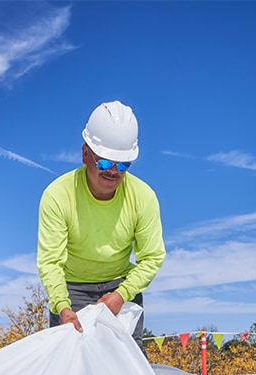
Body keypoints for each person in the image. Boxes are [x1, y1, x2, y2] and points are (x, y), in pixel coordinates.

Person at [36, 100, 165, 347]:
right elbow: (50, 261)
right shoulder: (57, 195)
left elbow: (152, 257)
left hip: (121, 284)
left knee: (126, 361)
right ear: (86, 154)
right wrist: (62, 306)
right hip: (70, 287)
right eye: (105, 163)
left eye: (123, 165)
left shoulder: (144, 197)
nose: (113, 172)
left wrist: (122, 295)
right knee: (69, 364)